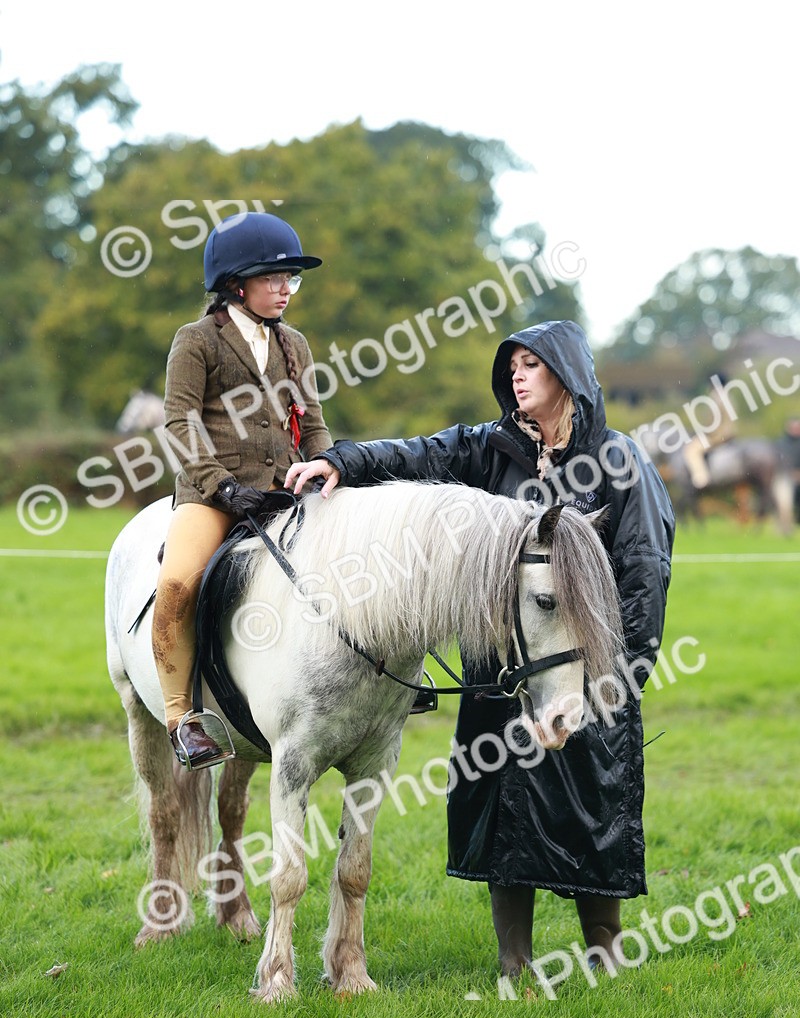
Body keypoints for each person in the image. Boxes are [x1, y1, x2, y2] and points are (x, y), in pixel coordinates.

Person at [285, 320, 675, 976]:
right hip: (502, 673)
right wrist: (342, 462)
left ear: (567, 375)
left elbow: (644, 569)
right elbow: (415, 456)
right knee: (505, 818)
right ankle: (513, 963)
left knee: (592, 814)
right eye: (512, 366)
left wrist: (618, 674)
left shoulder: (619, 461)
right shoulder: (490, 449)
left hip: (583, 673)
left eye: (532, 365)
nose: (517, 376)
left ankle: (605, 959)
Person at [153, 211, 333, 769]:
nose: (285, 289)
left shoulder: (294, 343)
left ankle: (384, 679)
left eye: (290, 279)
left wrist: (327, 464)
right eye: (272, 278)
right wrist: (220, 486)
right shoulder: (197, 340)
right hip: (214, 494)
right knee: (178, 583)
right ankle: (181, 718)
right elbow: (179, 422)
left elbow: (314, 422)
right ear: (236, 284)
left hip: (286, 490)